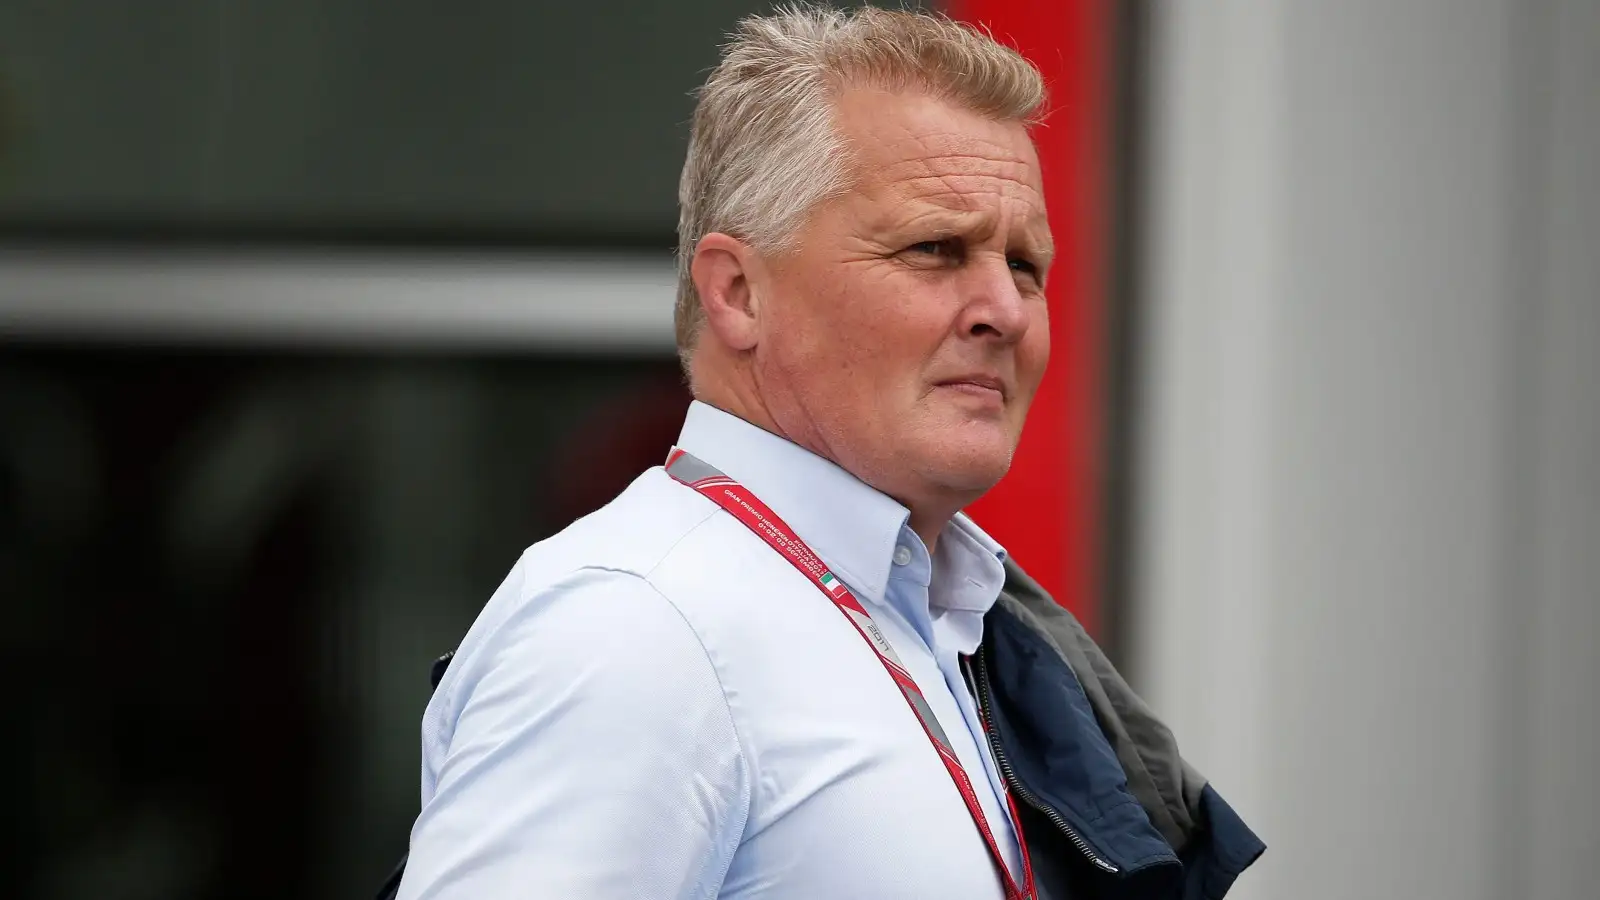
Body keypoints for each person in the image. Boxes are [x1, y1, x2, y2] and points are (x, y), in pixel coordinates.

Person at [394, 7, 1262, 899]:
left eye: (1026, 264)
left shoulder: (946, 621)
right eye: (935, 249)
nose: (1005, 310)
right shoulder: (638, 625)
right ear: (737, 293)